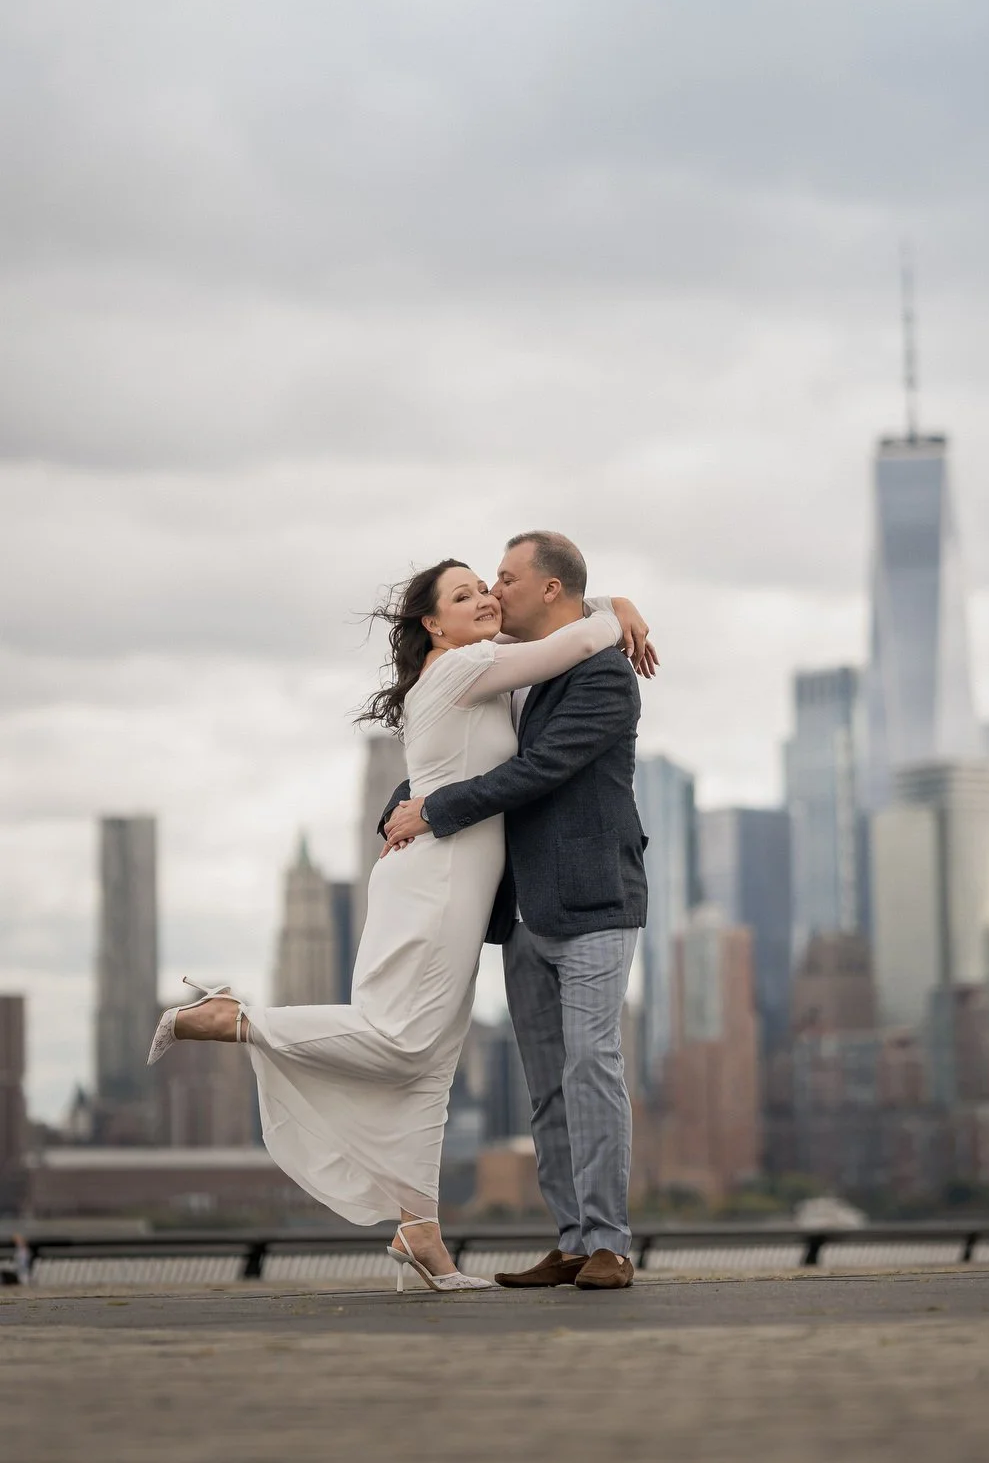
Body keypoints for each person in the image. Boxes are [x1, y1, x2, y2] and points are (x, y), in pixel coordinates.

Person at [147, 556, 646, 1293]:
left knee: (432, 1064)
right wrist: (618, 611)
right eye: (467, 592)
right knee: (402, 1038)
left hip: (465, 887)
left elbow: (549, 645)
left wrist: (608, 600)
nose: (486, 596)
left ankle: (421, 1233)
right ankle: (235, 1019)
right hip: (437, 884)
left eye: (492, 585)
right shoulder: (462, 668)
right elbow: (569, 643)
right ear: (432, 624)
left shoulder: (478, 663)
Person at [380, 530, 651, 1291]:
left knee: (592, 1064)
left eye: (505, 577)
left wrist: (431, 814)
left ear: (550, 590)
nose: (493, 591)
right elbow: (457, 755)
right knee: (546, 1085)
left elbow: (537, 772)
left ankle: (609, 1244)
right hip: (523, 913)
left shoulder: (603, 676)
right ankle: (570, 1239)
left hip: (594, 900)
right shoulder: (504, 673)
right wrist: (402, 809)